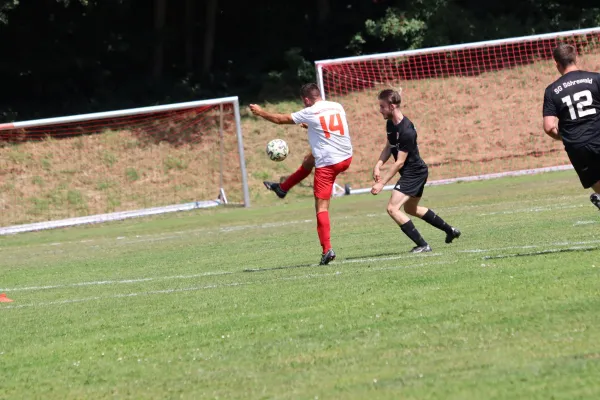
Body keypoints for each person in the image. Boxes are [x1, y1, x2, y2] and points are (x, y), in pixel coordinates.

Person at [249, 83, 353, 265]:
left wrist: (260, 112)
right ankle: (282, 188)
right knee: (309, 159)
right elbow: (331, 126)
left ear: (306, 99)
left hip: (329, 164)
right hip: (346, 156)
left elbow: (280, 119)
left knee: (321, 208)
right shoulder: (337, 106)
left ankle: (327, 249)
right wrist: (311, 127)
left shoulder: (310, 111)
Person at [370, 89, 461, 253]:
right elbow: (389, 147)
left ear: (391, 106)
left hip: (414, 172)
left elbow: (399, 162)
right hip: (413, 172)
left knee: (392, 208)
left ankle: (423, 245)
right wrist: (378, 164)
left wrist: (382, 183)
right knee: (411, 210)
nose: (380, 110)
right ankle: (450, 230)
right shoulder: (391, 124)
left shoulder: (407, 130)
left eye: (382, 106)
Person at [542, 43, 600, 210]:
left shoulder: (552, 91)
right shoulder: (596, 79)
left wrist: (566, 135)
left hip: (577, 146)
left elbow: (549, 127)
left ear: (557, 64)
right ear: (575, 58)